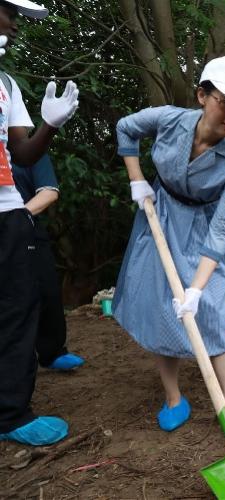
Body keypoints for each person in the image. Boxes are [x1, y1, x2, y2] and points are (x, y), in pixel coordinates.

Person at [112, 57, 225, 444]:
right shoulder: (168, 119)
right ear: (202, 95)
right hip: (159, 214)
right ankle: (174, 398)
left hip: (203, 229)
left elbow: (222, 229)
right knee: (165, 308)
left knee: (214, 310)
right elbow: (126, 128)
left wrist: (196, 288)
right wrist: (137, 180)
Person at [0, 0, 81, 447]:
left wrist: (48, 126)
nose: (14, 24)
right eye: (8, 12)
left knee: (17, 312)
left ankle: (10, 413)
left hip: (9, 211)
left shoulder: (7, 83)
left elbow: (24, 154)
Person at [11, 155, 85, 370]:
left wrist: (15, 218)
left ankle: (52, 352)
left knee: (47, 292)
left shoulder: (31, 152)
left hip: (27, 230)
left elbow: (49, 192)